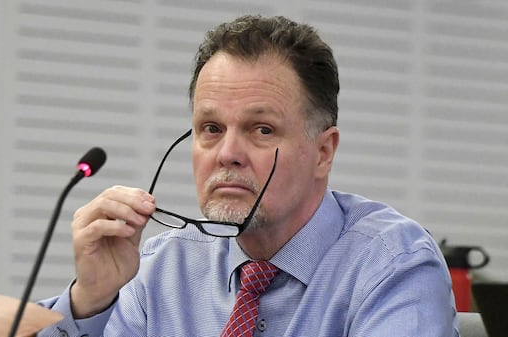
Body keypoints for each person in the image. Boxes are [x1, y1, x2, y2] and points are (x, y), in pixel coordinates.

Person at [38, 15, 458, 337]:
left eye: (262, 130)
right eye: (211, 129)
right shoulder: (156, 269)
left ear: (323, 153)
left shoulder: (392, 264)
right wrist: (90, 301)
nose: (228, 154)